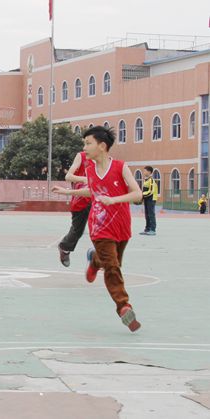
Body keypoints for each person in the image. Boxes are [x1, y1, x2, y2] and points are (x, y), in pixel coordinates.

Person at [51, 125, 142, 332]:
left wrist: (114, 200)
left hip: (121, 225)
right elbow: (92, 191)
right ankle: (124, 307)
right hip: (99, 227)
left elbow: (137, 194)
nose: (84, 148)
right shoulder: (90, 170)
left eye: (88, 143)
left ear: (102, 146)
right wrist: (67, 193)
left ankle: (94, 260)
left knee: (113, 261)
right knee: (112, 267)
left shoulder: (120, 167)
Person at [57, 151, 92, 267]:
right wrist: (85, 179)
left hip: (97, 198)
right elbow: (68, 176)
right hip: (80, 198)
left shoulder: (105, 160)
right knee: (77, 231)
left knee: (103, 227)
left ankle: (101, 255)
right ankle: (64, 248)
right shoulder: (82, 156)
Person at [140, 166, 158, 236]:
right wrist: (142, 197)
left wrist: (142, 195)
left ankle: (153, 230)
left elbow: (151, 191)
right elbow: (144, 190)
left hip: (151, 199)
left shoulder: (151, 180)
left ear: (149, 172)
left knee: (151, 214)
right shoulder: (146, 180)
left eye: (145, 171)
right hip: (146, 198)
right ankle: (147, 229)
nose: (143, 172)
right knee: (146, 214)